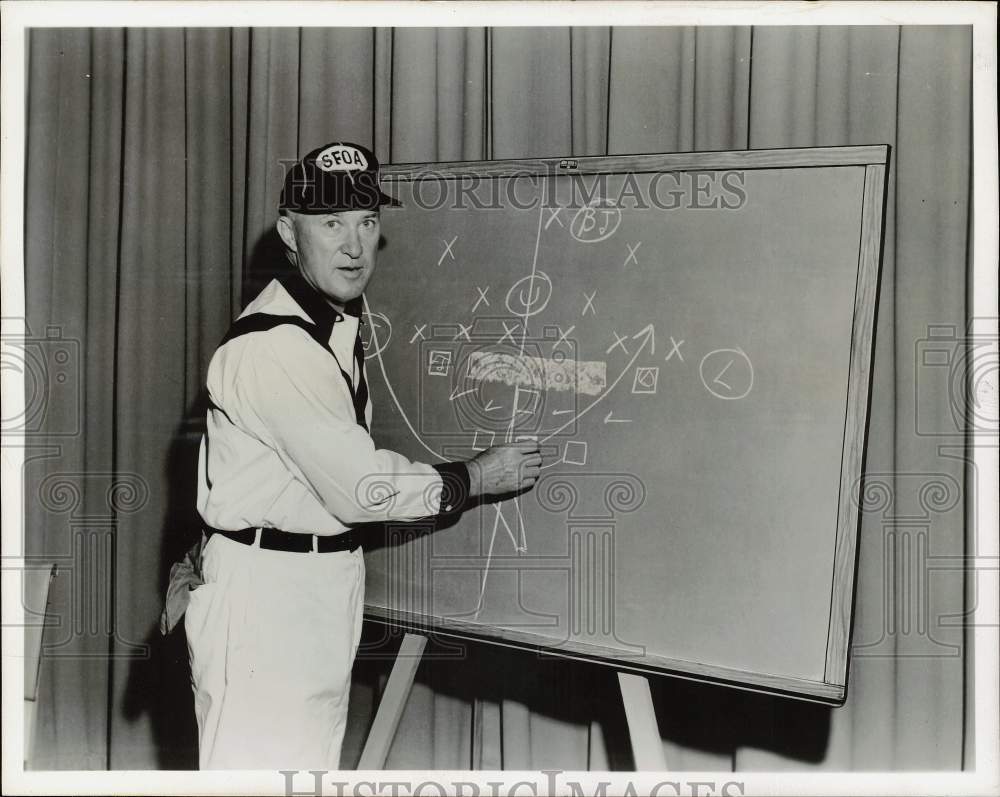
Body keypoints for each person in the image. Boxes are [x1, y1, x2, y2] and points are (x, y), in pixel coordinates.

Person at [184, 141, 542, 769]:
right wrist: (476, 476)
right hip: (271, 601)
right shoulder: (278, 347)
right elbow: (360, 487)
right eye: (331, 223)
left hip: (310, 589)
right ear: (290, 233)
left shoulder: (330, 325)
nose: (354, 245)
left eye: (367, 222)